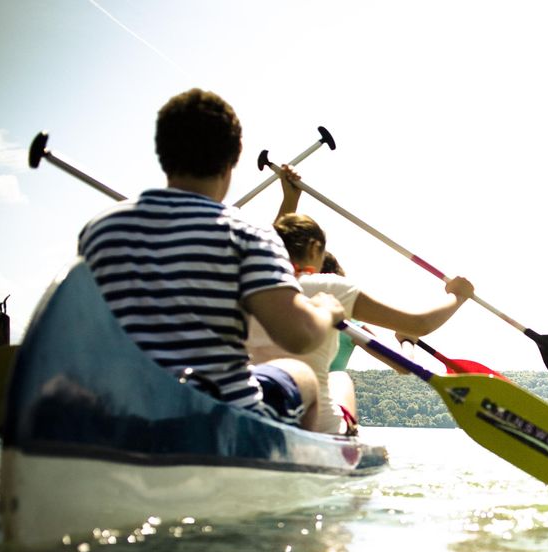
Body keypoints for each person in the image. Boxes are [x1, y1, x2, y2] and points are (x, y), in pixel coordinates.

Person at [77, 88, 344, 430]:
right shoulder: (247, 232)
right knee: (301, 375)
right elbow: (299, 336)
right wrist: (326, 311)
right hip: (220, 417)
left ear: (162, 154)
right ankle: (294, 471)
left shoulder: (99, 229)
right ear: (233, 159)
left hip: (123, 409)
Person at [244, 169, 475, 434]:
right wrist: (457, 296)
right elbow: (418, 328)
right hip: (321, 426)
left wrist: (289, 200)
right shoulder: (332, 293)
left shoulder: (249, 287)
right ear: (314, 250)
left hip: (254, 408)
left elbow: (272, 254)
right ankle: (349, 437)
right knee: (340, 378)